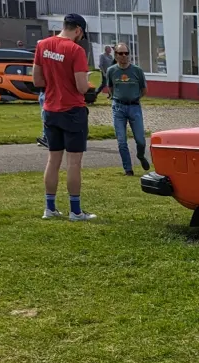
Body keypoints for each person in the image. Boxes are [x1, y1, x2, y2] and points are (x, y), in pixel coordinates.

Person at [32, 13, 97, 221]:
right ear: (78, 30)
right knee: (74, 162)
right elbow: (81, 87)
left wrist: (55, 82)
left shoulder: (43, 45)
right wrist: (86, 83)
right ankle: (75, 211)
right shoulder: (76, 50)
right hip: (72, 110)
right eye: (81, 35)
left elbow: (37, 81)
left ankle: (49, 207)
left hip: (51, 109)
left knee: (53, 160)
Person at [105, 44, 149, 176]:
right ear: (116, 55)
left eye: (126, 53)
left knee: (140, 140)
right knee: (121, 141)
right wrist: (119, 98)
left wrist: (134, 99)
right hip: (118, 107)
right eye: (121, 53)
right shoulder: (111, 71)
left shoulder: (137, 71)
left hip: (134, 107)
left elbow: (144, 90)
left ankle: (140, 156)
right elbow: (110, 88)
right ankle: (128, 169)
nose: (124, 56)